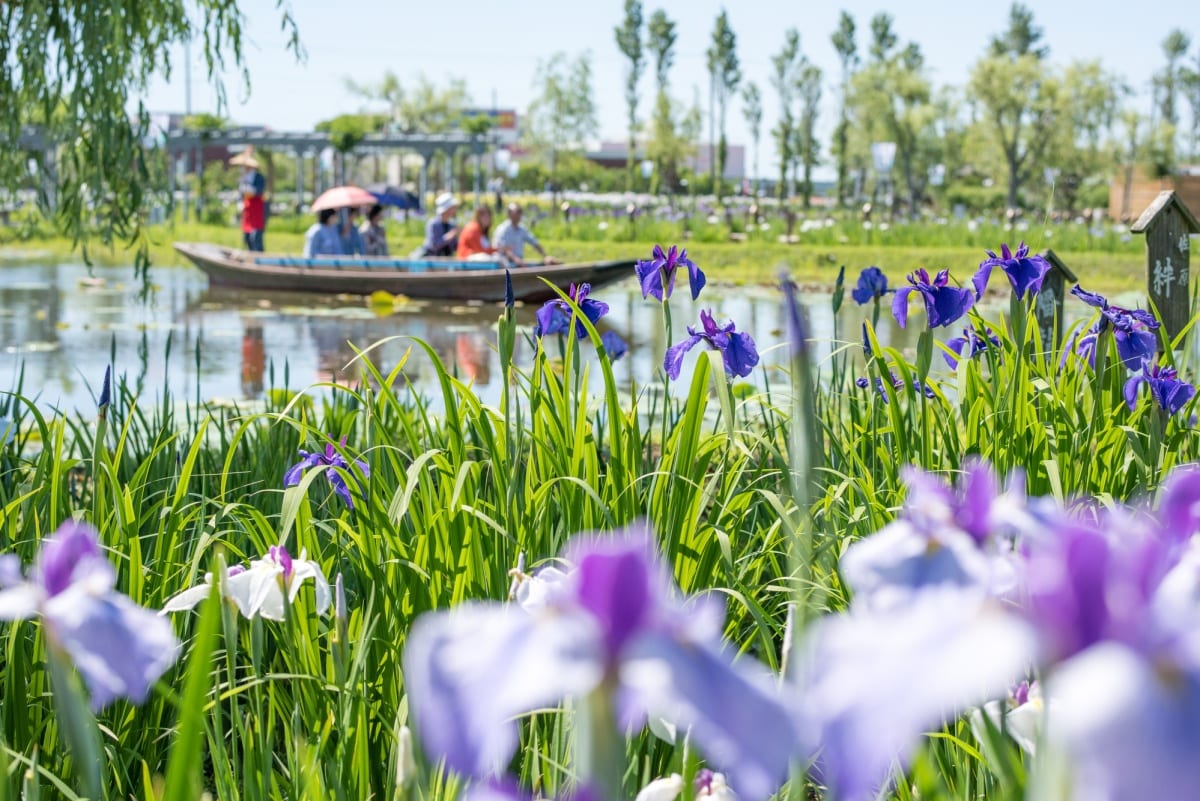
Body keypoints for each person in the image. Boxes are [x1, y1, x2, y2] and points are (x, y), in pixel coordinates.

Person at [492, 202, 558, 266]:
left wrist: (546, 256)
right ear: (509, 214)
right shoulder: (502, 229)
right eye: (515, 212)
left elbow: (534, 243)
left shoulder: (521, 228)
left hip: (518, 263)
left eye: (519, 212)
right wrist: (515, 259)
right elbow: (502, 248)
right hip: (504, 264)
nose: (518, 215)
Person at [236, 152, 267, 252]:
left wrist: (248, 189)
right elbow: (240, 195)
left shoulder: (259, 177)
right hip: (247, 210)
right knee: (247, 237)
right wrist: (240, 203)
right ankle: (250, 255)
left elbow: (259, 191)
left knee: (256, 237)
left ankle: (259, 258)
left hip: (257, 210)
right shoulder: (242, 179)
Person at [420, 193, 460, 257]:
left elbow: (455, 247)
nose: (455, 210)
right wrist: (450, 235)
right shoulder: (433, 224)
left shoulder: (451, 225)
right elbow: (433, 245)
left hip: (447, 260)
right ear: (447, 209)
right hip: (433, 261)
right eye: (453, 207)